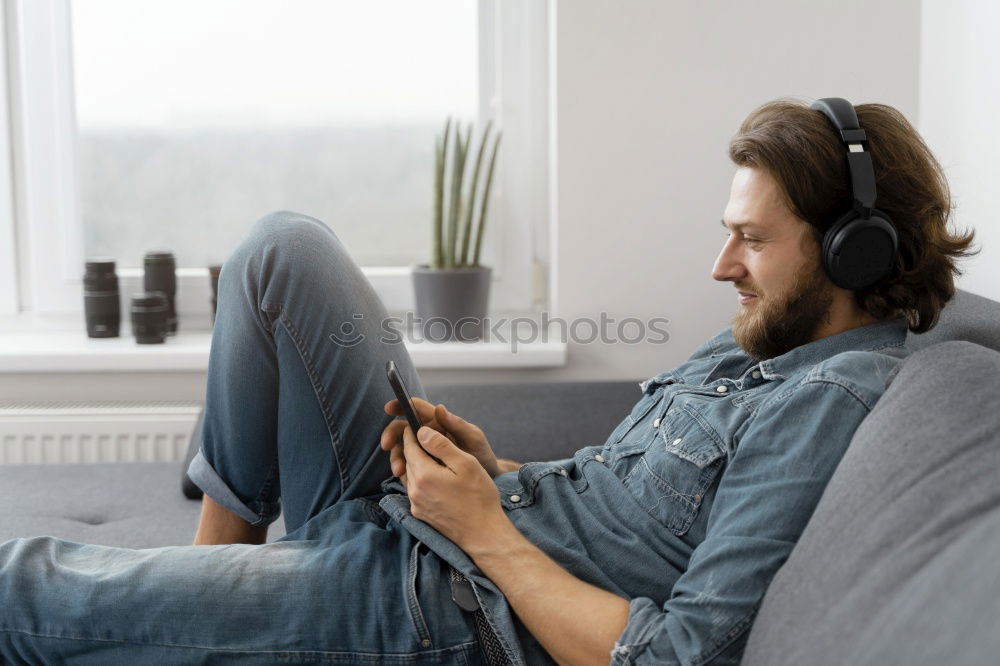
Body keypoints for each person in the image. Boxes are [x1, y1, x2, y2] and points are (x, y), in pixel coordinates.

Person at [0, 97, 975, 665]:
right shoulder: (757, 346)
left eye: (752, 241)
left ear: (854, 253)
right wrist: (488, 468)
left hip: (436, 603)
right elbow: (622, 505)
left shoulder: (822, 408)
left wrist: (485, 529)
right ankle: (220, 579)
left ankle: (209, 597)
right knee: (283, 251)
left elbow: (673, 653)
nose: (721, 265)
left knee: (26, 589)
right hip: (439, 530)